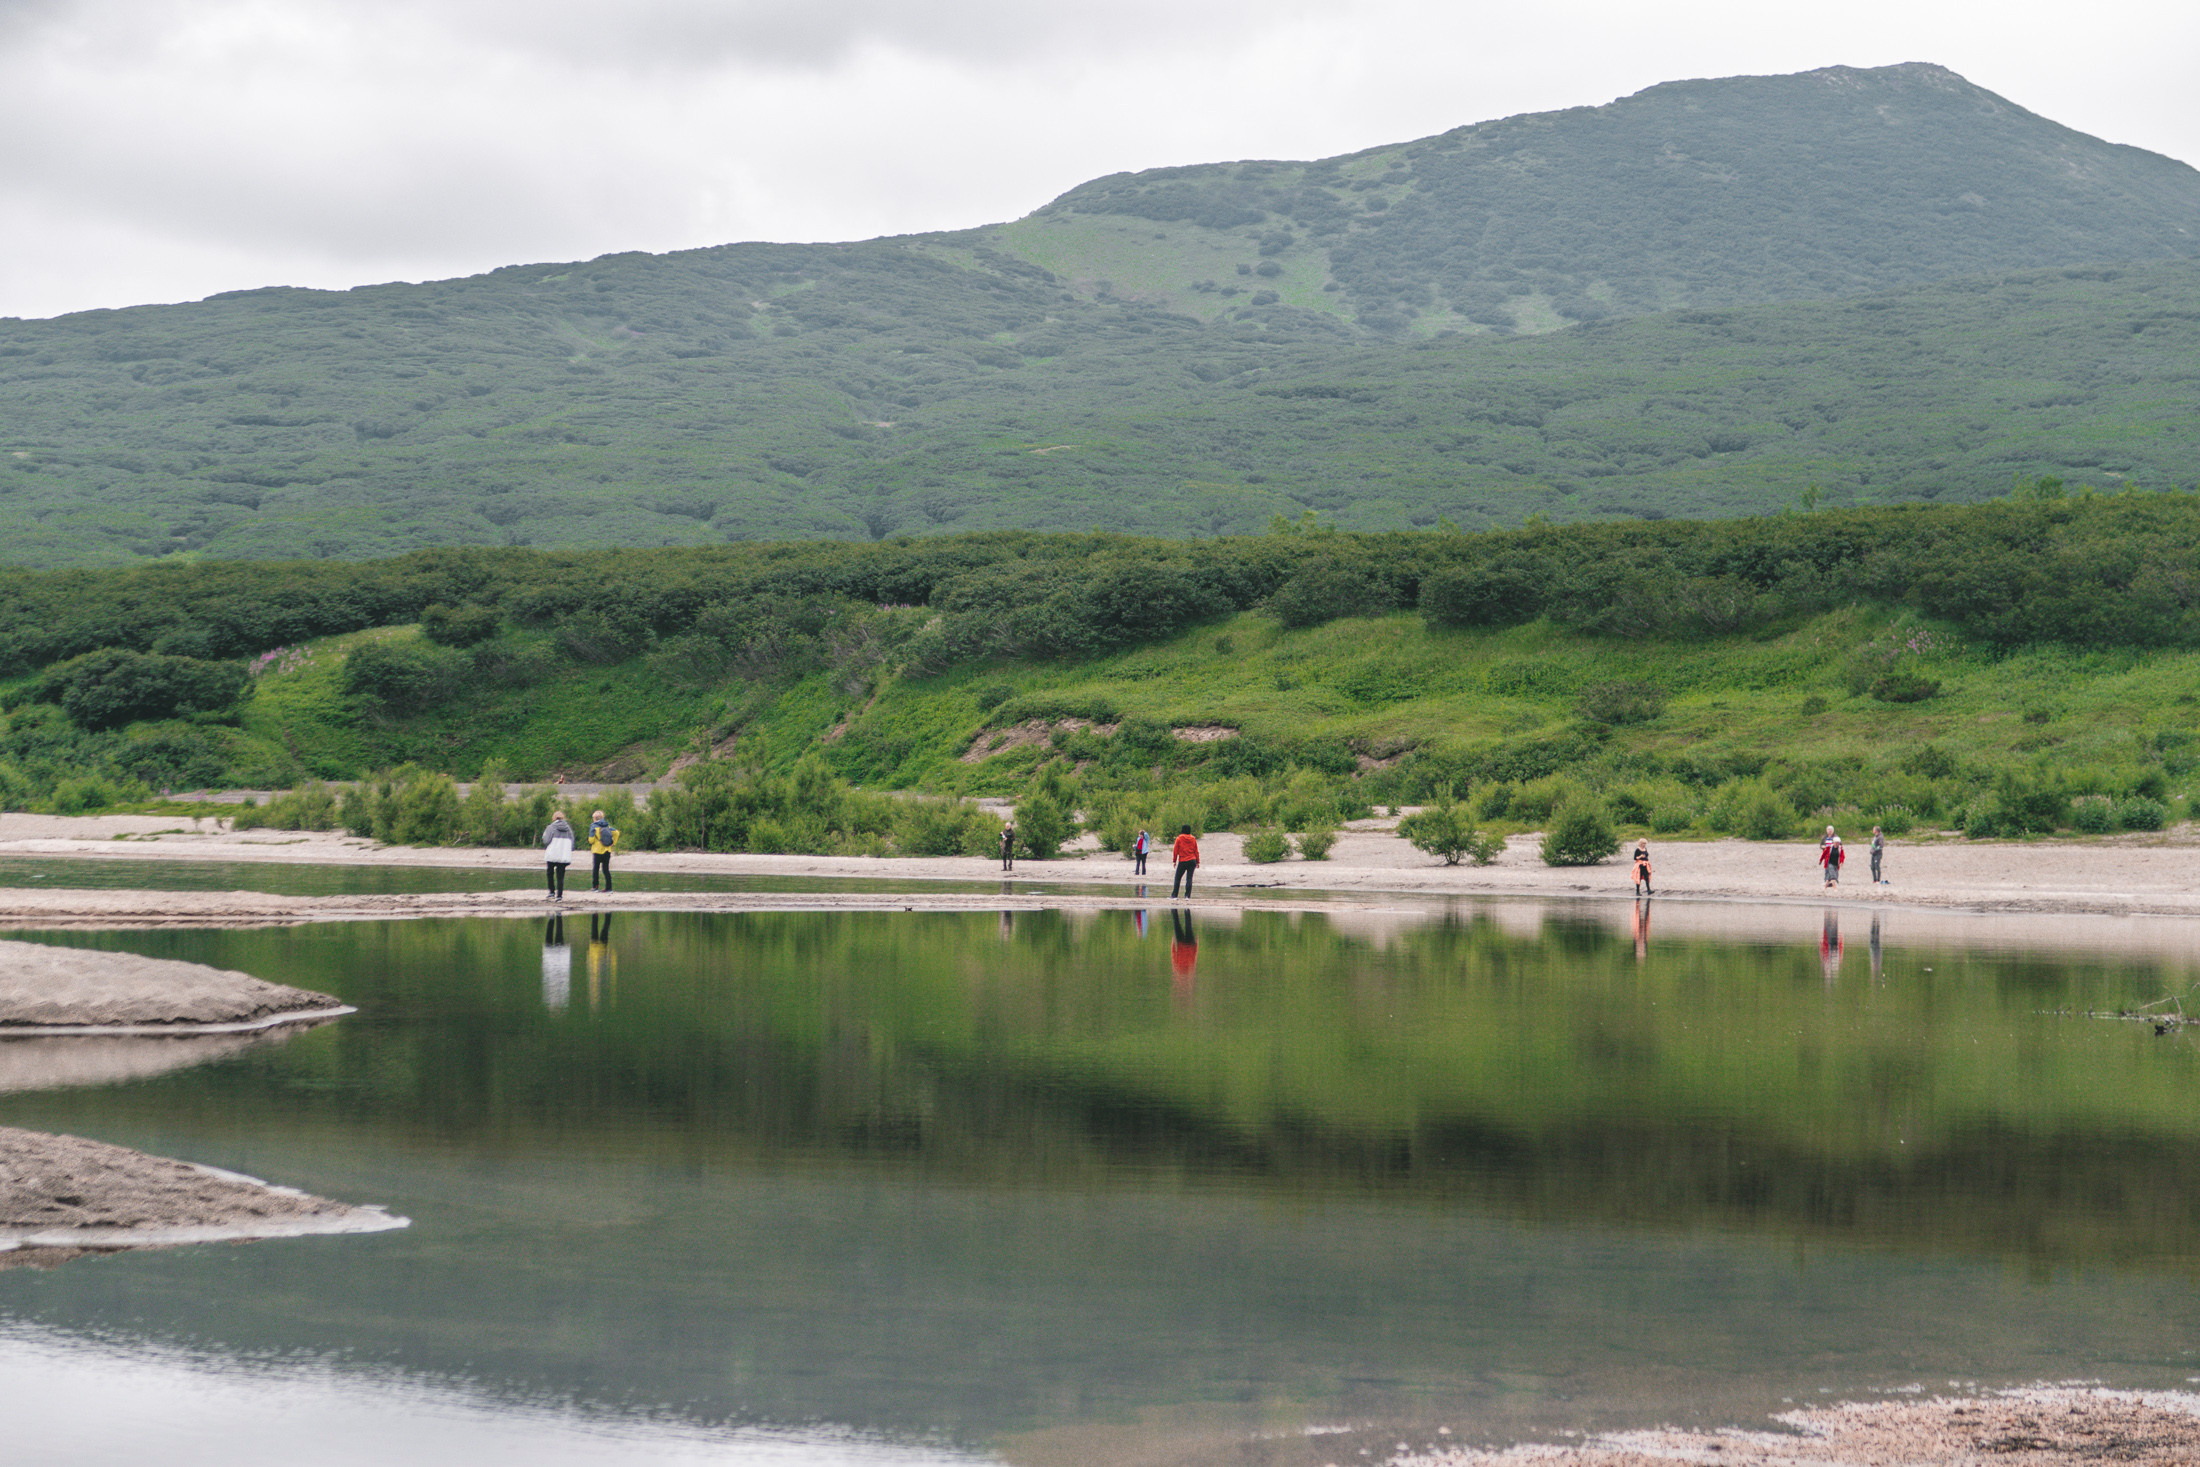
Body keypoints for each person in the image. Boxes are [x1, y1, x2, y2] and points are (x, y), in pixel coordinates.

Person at [542, 809, 576, 901]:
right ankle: (559, 896)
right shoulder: (568, 829)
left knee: (550, 873)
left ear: (554, 818)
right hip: (563, 855)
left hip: (552, 854)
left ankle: (552, 892)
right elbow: (572, 842)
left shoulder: (551, 827)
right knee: (560, 876)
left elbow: (546, 840)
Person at [587, 808, 619, 892]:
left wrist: (594, 840)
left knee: (596, 869)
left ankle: (595, 887)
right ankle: (609, 888)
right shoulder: (607, 826)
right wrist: (613, 843)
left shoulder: (594, 827)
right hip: (607, 850)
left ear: (594, 818)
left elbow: (591, 840)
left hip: (597, 851)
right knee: (606, 869)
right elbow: (617, 832)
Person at [1171, 824, 1200, 898]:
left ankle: (1174, 896)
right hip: (1192, 860)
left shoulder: (1179, 838)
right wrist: (1198, 861)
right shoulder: (1193, 839)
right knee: (1189, 879)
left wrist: (1174, 860)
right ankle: (1187, 896)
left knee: (1177, 878)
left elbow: (1175, 850)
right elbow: (1196, 850)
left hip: (1183, 860)